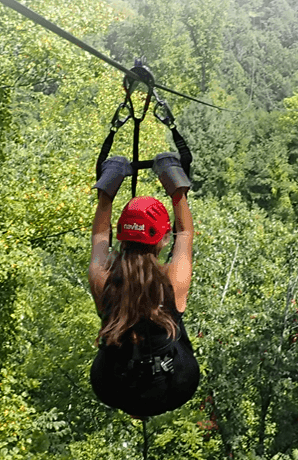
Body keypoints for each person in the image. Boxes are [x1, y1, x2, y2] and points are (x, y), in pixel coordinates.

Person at [88, 151, 200, 419]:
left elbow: (100, 235)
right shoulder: (173, 282)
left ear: (121, 236)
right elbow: (184, 233)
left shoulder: (103, 280)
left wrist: (107, 188)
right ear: (162, 241)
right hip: (174, 385)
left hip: (115, 385)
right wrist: (175, 186)